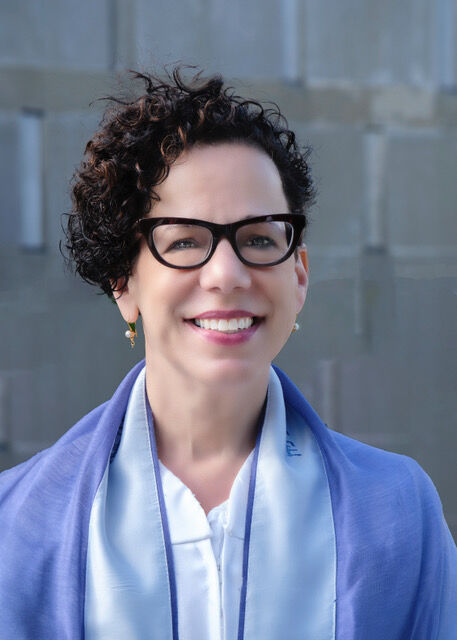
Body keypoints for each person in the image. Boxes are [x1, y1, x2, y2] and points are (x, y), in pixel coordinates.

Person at [0, 68, 456, 640]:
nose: (227, 274)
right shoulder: (15, 529)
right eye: (183, 241)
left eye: (259, 239)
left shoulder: (399, 513)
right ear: (123, 282)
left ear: (299, 276)